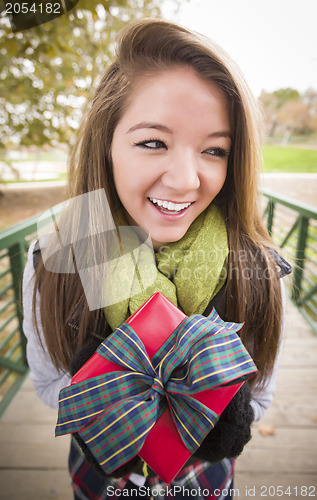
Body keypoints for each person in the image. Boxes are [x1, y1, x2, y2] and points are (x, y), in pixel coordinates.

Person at [22, 18, 291, 500]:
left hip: (206, 485)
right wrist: (114, 404)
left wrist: (200, 419)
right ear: (107, 144)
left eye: (214, 150)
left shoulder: (259, 269)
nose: (187, 179)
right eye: (153, 142)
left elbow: (262, 394)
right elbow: (46, 381)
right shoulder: (54, 258)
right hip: (98, 482)